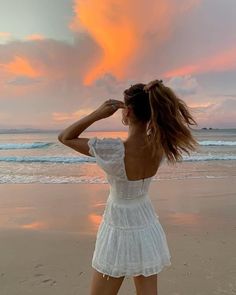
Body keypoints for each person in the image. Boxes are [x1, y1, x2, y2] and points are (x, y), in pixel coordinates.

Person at [58, 79, 198, 295]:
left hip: (118, 222)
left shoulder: (114, 150)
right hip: (145, 220)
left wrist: (98, 113)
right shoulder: (160, 144)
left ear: (127, 111)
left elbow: (65, 137)